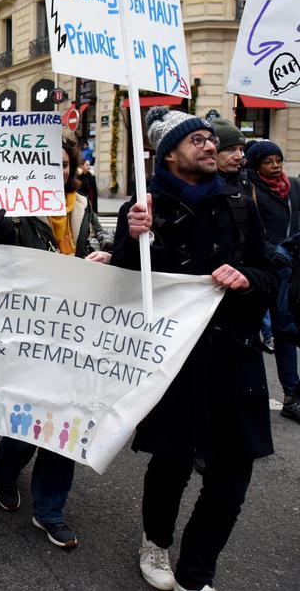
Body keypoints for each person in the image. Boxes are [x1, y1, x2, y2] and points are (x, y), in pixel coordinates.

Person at [112, 106, 274, 591]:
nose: (210, 145)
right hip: (174, 364)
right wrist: (132, 240)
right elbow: (118, 293)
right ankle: (155, 542)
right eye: (197, 140)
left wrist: (247, 279)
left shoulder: (239, 204)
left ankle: (197, 570)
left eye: (211, 139)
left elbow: (268, 273)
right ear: (169, 154)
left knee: (231, 480)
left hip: (234, 362)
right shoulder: (142, 211)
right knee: (171, 464)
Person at [0, 136, 110, 550]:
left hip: (76, 332)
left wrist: (106, 254)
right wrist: (1, 227)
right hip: (28, 334)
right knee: (27, 421)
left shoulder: (80, 208)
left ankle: (50, 508)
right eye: (46, 165)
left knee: (69, 421)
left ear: (71, 169)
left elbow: (98, 244)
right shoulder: (17, 211)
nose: (55, 172)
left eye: (62, 165)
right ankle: (5, 468)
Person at [244, 140, 300, 422]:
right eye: (269, 162)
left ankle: (292, 394)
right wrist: (272, 252)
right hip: (262, 269)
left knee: (286, 331)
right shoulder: (250, 188)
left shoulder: (293, 187)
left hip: (289, 270)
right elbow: (250, 230)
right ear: (257, 166)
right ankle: (247, 392)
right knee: (251, 331)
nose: (276, 166)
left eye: (278, 160)